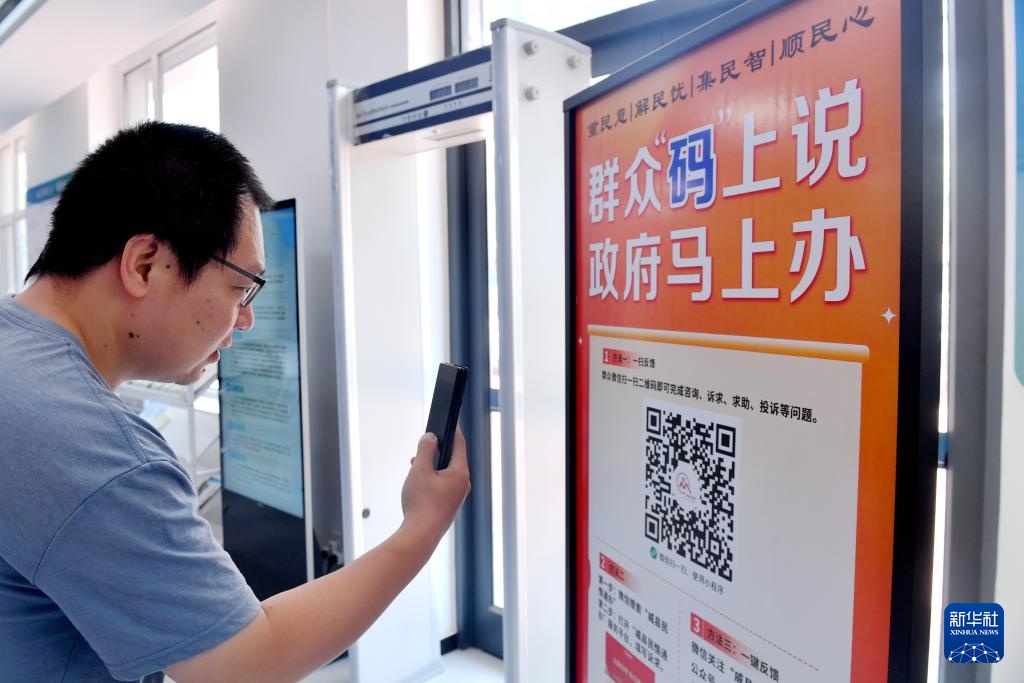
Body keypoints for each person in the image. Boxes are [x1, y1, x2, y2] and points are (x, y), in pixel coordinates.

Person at [0, 121, 470, 682]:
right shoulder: (96, 454)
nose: (245, 320)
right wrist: (422, 526)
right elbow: (249, 663)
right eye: (240, 288)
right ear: (146, 263)